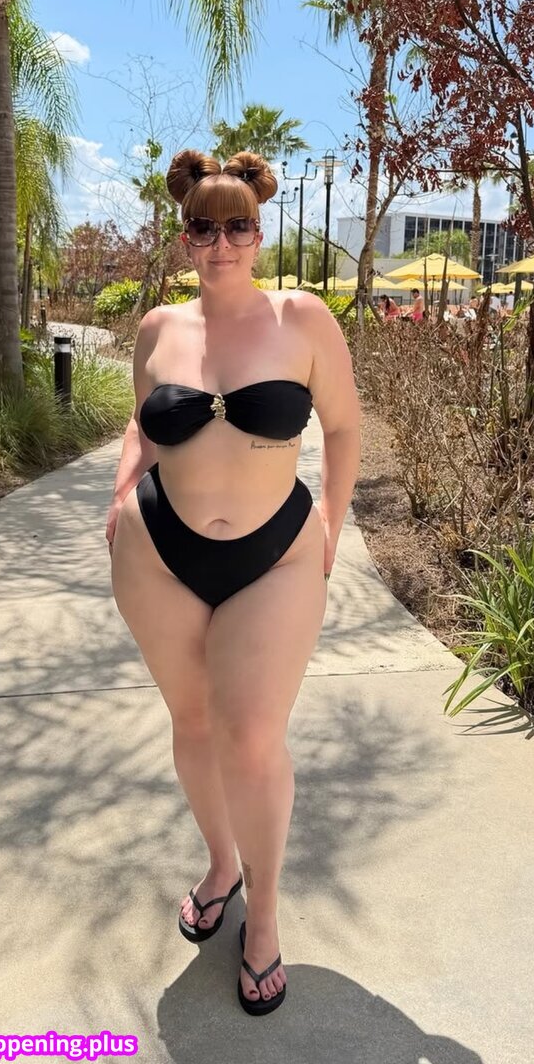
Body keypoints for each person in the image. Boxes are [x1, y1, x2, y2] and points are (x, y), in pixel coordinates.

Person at [106, 149, 360, 1017]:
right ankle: (221, 865)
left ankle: (265, 913)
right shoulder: (157, 328)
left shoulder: (301, 317)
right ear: (183, 237)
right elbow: (142, 425)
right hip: (158, 551)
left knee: (250, 736)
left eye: (237, 226)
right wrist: (120, 488)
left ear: (259, 232)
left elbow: (343, 426)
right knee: (192, 723)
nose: (220, 242)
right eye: (203, 228)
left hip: (274, 555)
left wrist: (332, 521)